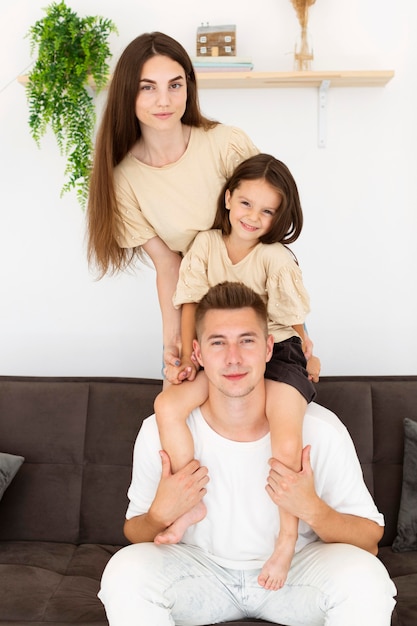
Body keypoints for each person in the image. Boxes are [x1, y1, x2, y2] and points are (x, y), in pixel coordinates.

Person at [98, 282, 396, 626]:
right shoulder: (159, 430)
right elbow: (136, 534)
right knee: (124, 571)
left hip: (296, 573)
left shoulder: (320, 429)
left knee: (366, 579)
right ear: (198, 353)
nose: (233, 358)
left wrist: (312, 509)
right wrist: (158, 515)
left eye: (247, 340)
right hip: (199, 572)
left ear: (269, 348)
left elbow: (370, 541)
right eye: (218, 342)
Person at [154, 154, 320, 590]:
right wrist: (191, 358)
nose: (253, 217)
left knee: (285, 435)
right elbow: (188, 299)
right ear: (228, 198)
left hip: (278, 349)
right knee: (167, 406)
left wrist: (308, 348)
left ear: (278, 216)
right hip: (222, 350)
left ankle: (286, 539)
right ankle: (189, 504)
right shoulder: (205, 245)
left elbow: (291, 317)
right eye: (246, 204)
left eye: (267, 211)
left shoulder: (275, 258)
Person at [86, 31, 259, 371]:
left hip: (262, 304)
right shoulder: (123, 181)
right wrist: (172, 343)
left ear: (188, 88)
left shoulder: (227, 144)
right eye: (147, 87)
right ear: (127, 94)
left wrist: (292, 323)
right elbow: (169, 266)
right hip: (200, 315)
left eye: (174, 85)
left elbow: (268, 231)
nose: (163, 100)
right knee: (172, 400)